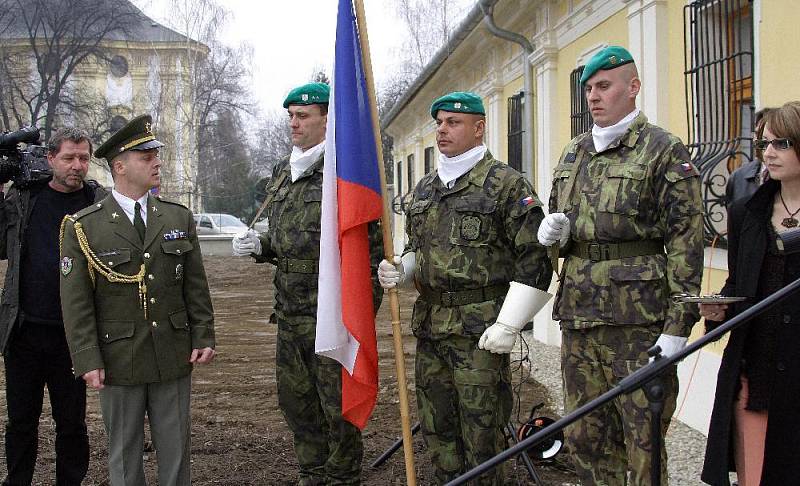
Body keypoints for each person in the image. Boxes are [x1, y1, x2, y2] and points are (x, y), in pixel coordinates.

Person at [537, 46, 703, 485]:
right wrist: (554, 235)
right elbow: (563, 222)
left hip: (639, 327)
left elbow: (687, 240)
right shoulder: (574, 153)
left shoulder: (663, 149)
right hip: (580, 321)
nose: (593, 96)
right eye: (588, 88)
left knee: (643, 442)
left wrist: (676, 328)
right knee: (585, 439)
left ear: (632, 88)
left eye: (604, 86)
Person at [378, 91, 552, 484]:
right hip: (432, 329)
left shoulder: (506, 185)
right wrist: (401, 271)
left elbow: (535, 259)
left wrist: (510, 324)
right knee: (438, 432)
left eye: (453, 122)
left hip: (481, 333)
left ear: (478, 128)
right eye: (438, 122)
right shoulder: (424, 189)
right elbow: (415, 248)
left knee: (483, 436)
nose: (442, 129)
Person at [232, 82, 383, 485]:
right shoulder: (284, 172)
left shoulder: (342, 174)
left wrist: (362, 312)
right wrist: (259, 245)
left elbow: (367, 251)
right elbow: (286, 240)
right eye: (291, 117)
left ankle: (342, 475)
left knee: (338, 405)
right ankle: (311, 472)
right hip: (290, 314)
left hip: (331, 314)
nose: (294, 124)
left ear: (327, 119)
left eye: (303, 116)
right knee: (298, 403)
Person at [59, 114, 216, 486]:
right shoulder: (84, 225)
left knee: (176, 452)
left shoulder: (177, 216)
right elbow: (76, 303)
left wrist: (203, 334)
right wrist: (87, 358)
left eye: (155, 154)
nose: (156, 162)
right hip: (118, 360)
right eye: (146, 156)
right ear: (120, 166)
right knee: (125, 457)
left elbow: (195, 285)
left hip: (172, 354)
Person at [700, 101, 800, 486]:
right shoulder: (747, 212)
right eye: (764, 145)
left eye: (781, 144)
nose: (768, 154)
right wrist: (718, 309)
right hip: (755, 373)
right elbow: (738, 285)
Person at [0, 128, 105, 486]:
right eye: (69, 158)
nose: (77, 166)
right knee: (21, 422)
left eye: (84, 158)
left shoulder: (97, 202)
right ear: (50, 159)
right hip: (24, 330)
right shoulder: (24, 198)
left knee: (72, 424)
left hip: (73, 337)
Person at [725, 107, 773, 206]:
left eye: (765, 135)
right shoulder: (738, 177)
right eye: (757, 133)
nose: (759, 140)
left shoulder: (791, 176)